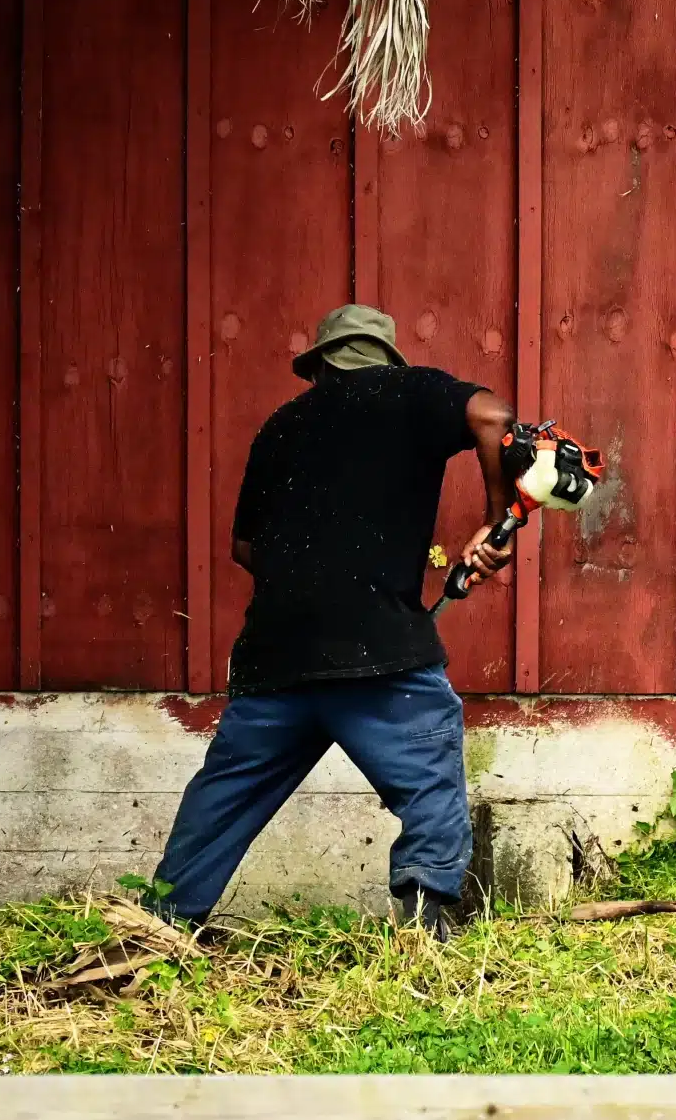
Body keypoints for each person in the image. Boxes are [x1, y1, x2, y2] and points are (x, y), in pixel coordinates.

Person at [146, 304, 517, 940]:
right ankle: (426, 931)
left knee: (223, 797)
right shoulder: (413, 391)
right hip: (379, 651)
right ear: (386, 359)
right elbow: (495, 419)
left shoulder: (279, 428)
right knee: (429, 772)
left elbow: (245, 550)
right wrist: (495, 518)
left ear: (320, 366)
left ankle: (158, 925)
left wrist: (308, 574)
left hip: (277, 655)